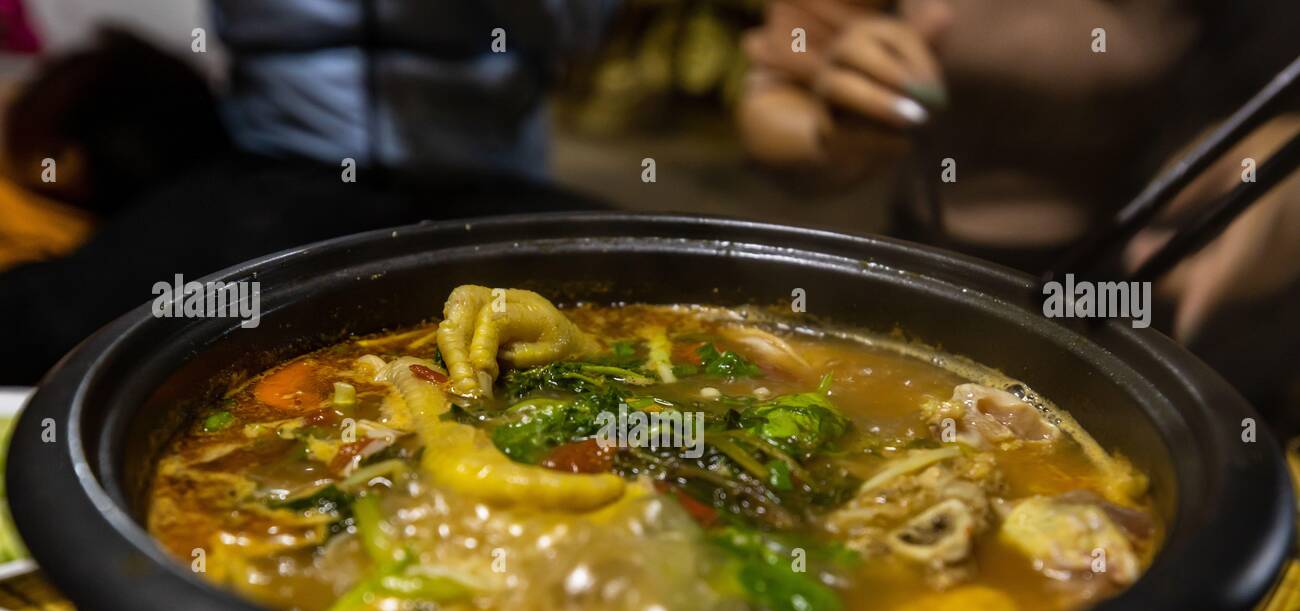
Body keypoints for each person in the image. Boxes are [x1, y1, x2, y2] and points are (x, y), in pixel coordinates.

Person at [737, 0, 1300, 426]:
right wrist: (834, 136)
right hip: (925, 270)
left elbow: (1266, 107)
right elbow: (774, 96)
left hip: (1137, 288)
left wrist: (1274, 179)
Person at [0, 1, 617, 384]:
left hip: (488, 176)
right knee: (50, 322)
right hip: (283, 169)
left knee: (628, 298)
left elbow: (585, 29)